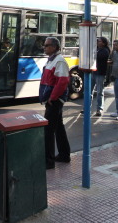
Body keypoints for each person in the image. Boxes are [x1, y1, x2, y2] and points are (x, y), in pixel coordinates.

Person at [40, 37, 71, 169]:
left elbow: (62, 81)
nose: (44, 47)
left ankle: (48, 161)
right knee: (58, 127)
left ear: (54, 47)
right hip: (52, 99)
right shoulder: (52, 60)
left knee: (48, 130)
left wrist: (52, 98)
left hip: (55, 101)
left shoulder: (59, 61)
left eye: (46, 45)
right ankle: (64, 155)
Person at [92, 37, 110, 117]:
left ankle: (99, 109)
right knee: (89, 91)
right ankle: (86, 108)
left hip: (100, 73)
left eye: (99, 41)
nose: (97, 42)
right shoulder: (96, 49)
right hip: (93, 72)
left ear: (103, 43)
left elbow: (97, 57)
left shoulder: (105, 51)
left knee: (99, 92)